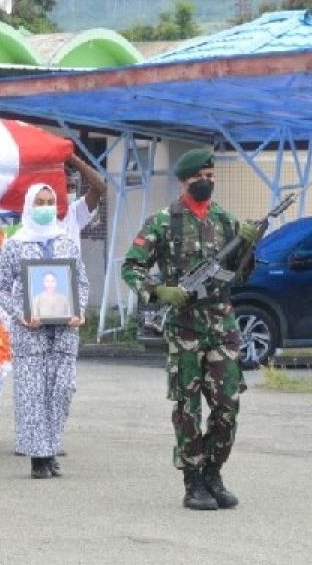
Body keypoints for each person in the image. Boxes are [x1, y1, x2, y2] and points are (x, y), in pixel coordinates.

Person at [122, 148, 259, 510]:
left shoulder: (227, 221)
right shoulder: (163, 221)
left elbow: (241, 274)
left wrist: (248, 244)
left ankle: (214, 472)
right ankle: (193, 480)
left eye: (212, 177)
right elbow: (132, 267)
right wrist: (159, 291)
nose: (207, 183)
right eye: (200, 177)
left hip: (222, 323)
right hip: (185, 328)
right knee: (187, 407)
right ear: (184, 180)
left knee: (228, 405)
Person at [0, 183, 87, 479]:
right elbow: (0, 288)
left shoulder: (66, 242)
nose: (46, 207)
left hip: (64, 334)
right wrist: (20, 313)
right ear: (29, 206)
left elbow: (81, 283)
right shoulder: (15, 244)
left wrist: (79, 310)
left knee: (62, 390)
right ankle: (39, 457)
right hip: (29, 333)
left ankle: (51, 446)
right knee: (33, 395)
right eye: (40, 202)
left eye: (50, 202)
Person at [61, 154, 106, 245]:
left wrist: (70, 156)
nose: (69, 191)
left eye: (72, 187)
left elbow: (100, 187)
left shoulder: (74, 212)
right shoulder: (39, 214)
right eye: (66, 187)